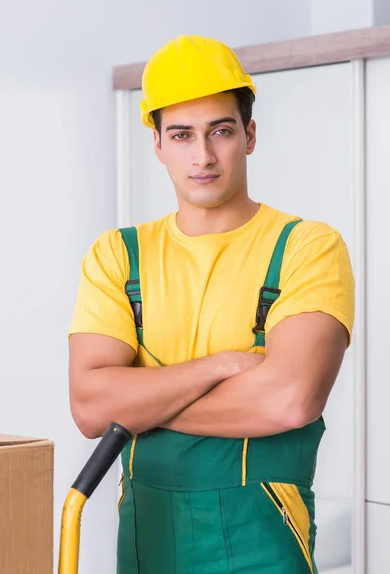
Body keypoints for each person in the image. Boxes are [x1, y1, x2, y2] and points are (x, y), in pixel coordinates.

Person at [68, 35, 355, 574]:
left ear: (249, 135)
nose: (202, 156)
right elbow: (88, 407)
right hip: (146, 538)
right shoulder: (117, 256)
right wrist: (220, 367)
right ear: (157, 144)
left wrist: (134, 406)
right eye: (181, 135)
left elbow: (289, 401)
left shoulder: (306, 247)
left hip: (262, 541)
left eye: (220, 131)